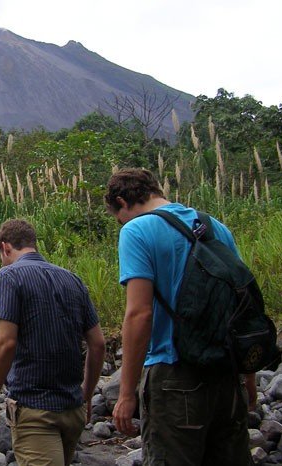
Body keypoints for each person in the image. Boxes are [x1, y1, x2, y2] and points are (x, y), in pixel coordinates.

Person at [105, 168, 255, 465]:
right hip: (227, 374)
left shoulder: (136, 230)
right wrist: (248, 378)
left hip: (174, 376)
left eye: (116, 215)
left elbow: (139, 315)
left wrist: (126, 393)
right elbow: (242, 308)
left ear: (122, 202)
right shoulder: (215, 227)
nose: (119, 222)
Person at [0, 219, 106, 466]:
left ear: (5, 247)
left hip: (34, 410)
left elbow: (5, 343)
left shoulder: (8, 275)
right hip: (72, 408)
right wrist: (86, 396)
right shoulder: (73, 279)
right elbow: (97, 344)